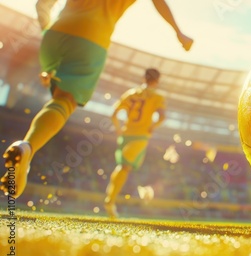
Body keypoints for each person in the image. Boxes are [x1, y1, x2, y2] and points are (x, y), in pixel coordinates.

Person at [1, 0, 193, 198]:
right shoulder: (157, 96)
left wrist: (49, 33)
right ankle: (28, 147)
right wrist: (178, 31)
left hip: (55, 32)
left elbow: (42, 5)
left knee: (58, 99)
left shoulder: (132, 94)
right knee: (64, 102)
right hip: (92, 38)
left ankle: (27, 152)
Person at [104, 68, 165, 219]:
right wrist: (152, 127)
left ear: (144, 78)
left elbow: (114, 114)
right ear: (157, 81)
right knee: (125, 167)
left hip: (126, 134)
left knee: (125, 167)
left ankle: (110, 199)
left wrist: (118, 129)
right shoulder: (157, 96)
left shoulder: (131, 93)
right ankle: (110, 201)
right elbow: (162, 117)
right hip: (140, 136)